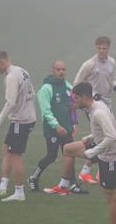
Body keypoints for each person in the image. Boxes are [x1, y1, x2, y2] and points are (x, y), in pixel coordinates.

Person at [44, 82, 116, 224]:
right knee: (68, 149)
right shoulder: (94, 108)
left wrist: (93, 151)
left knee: (111, 196)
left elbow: (112, 136)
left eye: (76, 98)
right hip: (103, 150)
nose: (74, 101)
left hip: (111, 156)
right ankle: (64, 186)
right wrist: (91, 137)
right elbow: (105, 128)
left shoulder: (98, 112)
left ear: (84, 97)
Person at [27, 60, 86, 193]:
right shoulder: (46, 88)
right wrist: (56, 126)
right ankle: (33, 177)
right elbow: (46, 111)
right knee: (51, 156)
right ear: (53, 71)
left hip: (67, 129)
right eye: (58, 70)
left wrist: (74, 122)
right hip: (53, 130)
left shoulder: (67, 86)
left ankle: (72, 184)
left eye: (63, 69)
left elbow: (74, 102)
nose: (61, 72)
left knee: (70, 154)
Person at [73, 36, 116, 184]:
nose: (102, 51)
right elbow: (77, 82)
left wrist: (115, 85)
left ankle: (99, 170)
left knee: (111, 133)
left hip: (107, 102)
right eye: (99, 48)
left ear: (108, 48)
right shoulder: (89, 64)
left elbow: (113, 78)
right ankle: (86, 171)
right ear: (96, 48)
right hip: (93, 105)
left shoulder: (112, 62)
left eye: (104, 48)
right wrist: (92, 95)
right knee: (102, 135)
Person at [0, 51, 37, 202]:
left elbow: (10, 102)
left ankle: (19, 192)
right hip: (27, 118)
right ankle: (3, 186)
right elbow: (32, 93)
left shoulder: (11, 77)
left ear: (1, 62)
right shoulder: (22, 70)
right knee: (6, 149)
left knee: (16, 156)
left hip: (20, 121)